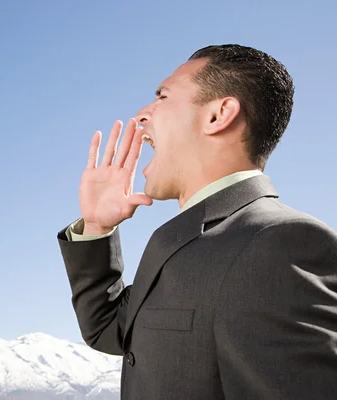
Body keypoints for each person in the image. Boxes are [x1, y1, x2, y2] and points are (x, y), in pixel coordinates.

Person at [57, 44, 337, 399]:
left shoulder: (279, 243)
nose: (142, 114)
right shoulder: (181, 241)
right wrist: (96, 227)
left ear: (218, 115)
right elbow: (108, 329)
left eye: (162, 96)